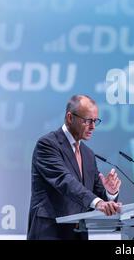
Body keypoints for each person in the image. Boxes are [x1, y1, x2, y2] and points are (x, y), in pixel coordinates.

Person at [27, 95, 122, 240]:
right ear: (70, 118)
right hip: (50, 232)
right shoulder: (47, 145)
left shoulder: (88, 154)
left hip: (78, 234)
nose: (93, 127)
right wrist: (99, 203)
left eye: (95, 121)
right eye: (88, 121)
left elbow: (96, 196)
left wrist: (109, 193)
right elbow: (65, 181)